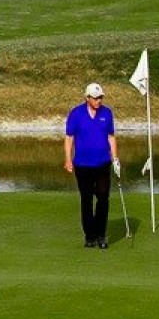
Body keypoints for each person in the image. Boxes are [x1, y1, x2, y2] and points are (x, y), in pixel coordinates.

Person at [64, 82, 120, 248]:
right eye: (95, 98)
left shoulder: (107, 113)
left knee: (103, 197)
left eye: (100, 97)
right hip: (82, 164)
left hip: (103, 162)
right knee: (86, 199)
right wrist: (68, 159)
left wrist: (115, 158)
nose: (99, 101)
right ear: (87, 98)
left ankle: (101, 235)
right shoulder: (76, 114)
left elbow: (111, 137)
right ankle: (90, 236)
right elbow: (69, 138)